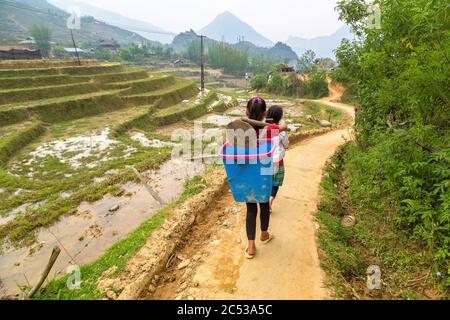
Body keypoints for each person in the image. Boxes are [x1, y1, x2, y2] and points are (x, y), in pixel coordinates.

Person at [244, 97, 287, 259]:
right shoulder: (269, 129)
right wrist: (276, 124)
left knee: (250, 208)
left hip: (248, 173)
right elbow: (284, 126)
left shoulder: (242, 130)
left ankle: (250, 247)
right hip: (265, 172)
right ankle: (264, 234)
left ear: (247, 111)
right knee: (263, 204)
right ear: (264, 113)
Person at [266, 105, 289, 214]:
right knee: (275, 183)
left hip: (265, 161)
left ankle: (264, 200)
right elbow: (286, 144)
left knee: (267, 182)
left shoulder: (264, 128)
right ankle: (271, 198)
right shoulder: (281, 131)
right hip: (278, 161)